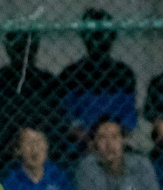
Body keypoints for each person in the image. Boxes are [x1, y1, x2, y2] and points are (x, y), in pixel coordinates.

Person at [0, 32, 68, 172]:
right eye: (17, 48)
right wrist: (13, 142)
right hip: (6, 148)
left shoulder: (48, 81)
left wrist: (37, 139)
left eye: (27, 48)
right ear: (8, 49)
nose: (22, 53)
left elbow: (58, 120)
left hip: (41, 145)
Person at [58, 9, 139, 145]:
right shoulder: (70, 75)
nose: (98, 40)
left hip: (116, 145)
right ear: (83, 36)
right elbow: (68, 121)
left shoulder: (123, 74)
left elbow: (128, 120)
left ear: (112, 36)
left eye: (102, 34)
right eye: (93, 35)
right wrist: (92, 142)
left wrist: (110, 141)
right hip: (82, 147)